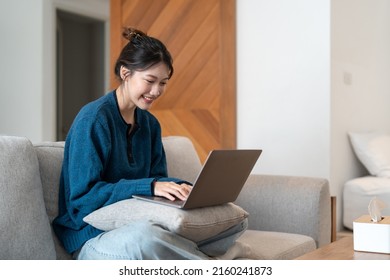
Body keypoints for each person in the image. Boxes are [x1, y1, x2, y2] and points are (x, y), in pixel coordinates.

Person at [52, 27, 248, 260]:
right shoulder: (94, 120)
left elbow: (157, 181)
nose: (156, 91)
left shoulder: (150, 124)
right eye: (150, 80)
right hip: (92, 237)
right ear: (126, 73)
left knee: (236, 221)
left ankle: (196, 256)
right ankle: (215, 263)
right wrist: (150, 186)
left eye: (163, 82)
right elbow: (83, 199)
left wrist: (184, 189)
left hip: (137, 221)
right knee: (146, 237)